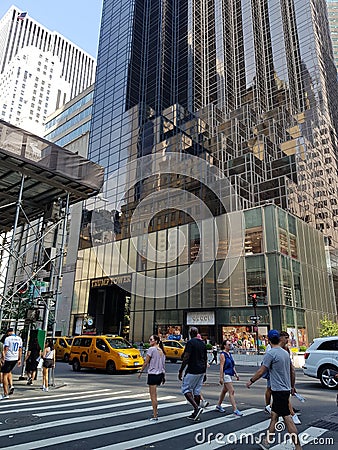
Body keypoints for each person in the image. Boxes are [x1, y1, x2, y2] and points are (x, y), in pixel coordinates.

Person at [246, 330, 302, 450]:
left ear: (269, 340)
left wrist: (251, 380)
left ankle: (298, 446)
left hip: (278, 390)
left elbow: (262, 371)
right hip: (284, 389)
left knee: (287, 419)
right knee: (274, 416)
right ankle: (267, 441)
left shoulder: (271, 354)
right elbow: (291, 371)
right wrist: (292, 386)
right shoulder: (285, 353)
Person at [178, 326, 207, 421]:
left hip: (192, 369)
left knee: (186, 389)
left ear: (190, 333)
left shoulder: (190, 343)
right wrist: (205, 372)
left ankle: (196, 408)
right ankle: (196, 413)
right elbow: (205, 358)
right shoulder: (202, 343)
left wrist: (181, 370)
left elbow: (186, 357)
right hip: (201, 369)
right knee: (197, 391)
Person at [138, 334, 166, 422]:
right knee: (155, 395)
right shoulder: (161, 350)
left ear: (156, 341)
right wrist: (164, 376)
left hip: (153, 374)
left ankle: (155, 415)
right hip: (160, 374)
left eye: (151, 340)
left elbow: (146, 362)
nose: (149, 341)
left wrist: (141, 372)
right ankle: (155, 413)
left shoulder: (151, 349)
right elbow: (163, 365)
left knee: (153, 396)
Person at [215, 340, 243, 416]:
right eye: (228, 344)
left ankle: (218, 405)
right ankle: (235, 409)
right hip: (226, 374)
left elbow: (232, 365)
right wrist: (221, 377)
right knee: (231, 391)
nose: (230, 346)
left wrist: (236, 374)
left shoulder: (229, 354)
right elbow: (221, 366)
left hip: (229, 373)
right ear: (224, 346)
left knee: (224, 390)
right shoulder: (222, 355)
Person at [1, 328, 22, 399]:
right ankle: (11, 385)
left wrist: (2, 358)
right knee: (8, 372)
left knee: (4, 375)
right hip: (15, 358)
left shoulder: (8, 339)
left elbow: (5, 349)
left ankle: (5, 393)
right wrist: (19, 359)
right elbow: (20, 350)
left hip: (8, 358)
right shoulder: (19, 339)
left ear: (9, 332)